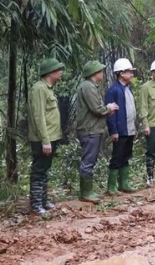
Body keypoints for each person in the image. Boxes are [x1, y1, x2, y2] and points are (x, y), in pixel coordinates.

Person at [71, 60, 119, 202]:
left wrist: (106, 110)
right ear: (94, 73)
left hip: (92, 128)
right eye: (100, 71)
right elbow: (96, 109)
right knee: (88, 161)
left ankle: (88, 191)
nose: (102, 73)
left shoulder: (90, 86)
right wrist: (109, 108)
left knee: (90, 160)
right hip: (89, 129)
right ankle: (86, 193)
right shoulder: (88, 87)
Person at [27, 58, 65, 217]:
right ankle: (36, 205)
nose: (61, 72)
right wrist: (45, 140)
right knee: (38, 170)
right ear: (50, 72)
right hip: (43, 139)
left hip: (51, 136)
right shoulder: (39, 89)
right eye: (58, 69)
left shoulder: (48, 88)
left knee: (44, 170)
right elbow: (39, 117)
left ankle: (43, 201)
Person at [104, 58, 139, 196]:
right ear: (121, 73)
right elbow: (110, 114)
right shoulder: (113, 90)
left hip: (129, 129)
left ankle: (124, 183)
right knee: (117, 157)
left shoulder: (128, 89)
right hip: (120, 130)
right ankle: (111, 186)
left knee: (126, 156)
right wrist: (113, 131)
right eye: (129, 72)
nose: (131, 74)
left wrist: (134, 128)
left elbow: (131, 110)